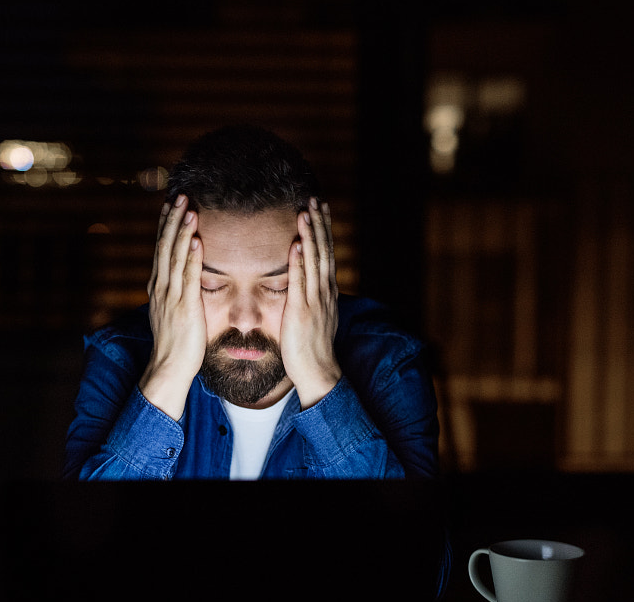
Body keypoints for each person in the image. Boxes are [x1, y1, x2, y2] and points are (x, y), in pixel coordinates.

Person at [64, 125, 441, 481]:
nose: (244, 319)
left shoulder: (387, 362)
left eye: (276, 286)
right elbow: (78, 542)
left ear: (321, 275)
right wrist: (166, 374)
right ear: (169, 275)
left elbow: (415, 547)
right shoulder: (119, 355)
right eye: (212, 285)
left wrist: (320, 377)